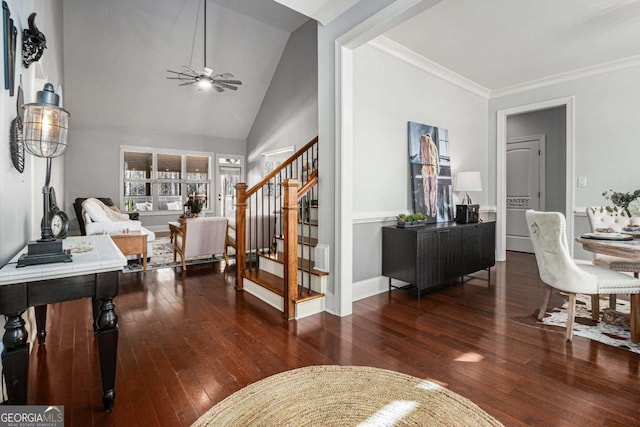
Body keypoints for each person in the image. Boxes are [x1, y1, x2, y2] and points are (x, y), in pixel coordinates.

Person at [420, 134, 439, 217]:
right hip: (432, 167)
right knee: (433, 191)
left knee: (427, 191)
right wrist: (437, 170)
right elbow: (437, 160)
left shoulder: (423, 144)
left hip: (426, 167)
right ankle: (433, 211)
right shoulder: (433, 147)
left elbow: (420, 157)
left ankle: (428, 211)